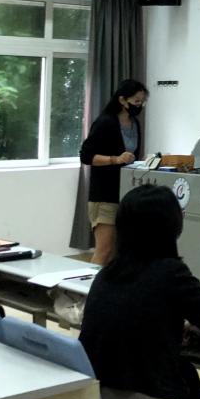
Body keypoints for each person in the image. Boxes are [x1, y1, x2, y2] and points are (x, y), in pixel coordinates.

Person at [80, 184, 200, 399]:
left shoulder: (107, 274)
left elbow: (138, 317)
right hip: (146, 395)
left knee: (186, 371)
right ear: (171, 225)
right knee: (185, 375)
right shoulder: (170, 272)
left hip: (99, 394)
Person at [80, 79, 148, 266]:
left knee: (119, 251)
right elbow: (86, 156)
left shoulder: (135, 124)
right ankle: (91, 284)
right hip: (104, 195)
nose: (140, 105)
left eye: (142, 102)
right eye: (136, 101)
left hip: (125, 194)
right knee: (104, 249)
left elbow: (132, 156)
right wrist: (115, 159)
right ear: (122, 100)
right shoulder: (105, 122)